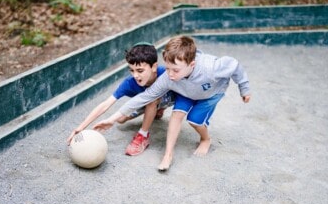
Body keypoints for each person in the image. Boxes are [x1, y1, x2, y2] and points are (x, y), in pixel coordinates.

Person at [93, 35, 251, 171]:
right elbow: (143, 97)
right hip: (186, 90)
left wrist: (244, 88)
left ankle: (205, 139)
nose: (170, 74)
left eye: (175, 70)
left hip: (211, 93)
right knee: (176, 116)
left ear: (192, 65)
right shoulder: (170, 77)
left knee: (195, 120)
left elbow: (234, 65)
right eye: (167, 68)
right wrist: (111, 119)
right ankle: (168, 155)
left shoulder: (211, 67)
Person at [66, 42, 175, 156]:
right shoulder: (130, 83)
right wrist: (81, 127)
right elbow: (106, 103)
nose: (135, 76)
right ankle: (156, 110)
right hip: (144, 103)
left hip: (168, 99)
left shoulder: (167, 73)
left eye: (140, 70)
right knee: (121, 119)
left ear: (154, 67)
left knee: (153, 99)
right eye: (132, 70)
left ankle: (143, 135)